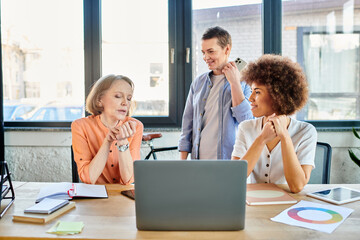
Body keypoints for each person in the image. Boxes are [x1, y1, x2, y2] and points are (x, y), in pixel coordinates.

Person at [231, 54, 317, 193]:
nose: (250, 98)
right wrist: (262, 139)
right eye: (252, 91)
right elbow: (233, 178)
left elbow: (297, 186)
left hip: (290, 206)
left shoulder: (306, 131)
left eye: (257, 92)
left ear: (278, 95)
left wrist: (285, 136)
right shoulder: (246, 128)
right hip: (255, 204)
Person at [178, 26, 253, 160]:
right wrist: (182, 162)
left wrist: (234, 82)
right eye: (203, 52)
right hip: (198, 163)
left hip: (228, 163)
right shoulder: (198, 83)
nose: (206, 57)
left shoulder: (245, 82)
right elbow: (187, 124)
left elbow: (247, 122)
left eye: (211, 52)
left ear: (227, 49)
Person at [71, 74, 143, 185]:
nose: (125, 103)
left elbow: (128, 180)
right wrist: (107, 142)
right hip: (95, 197)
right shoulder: (80, 126)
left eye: (129, 98)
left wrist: (122, 141)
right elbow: (88, 178)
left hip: (122, 197)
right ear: (100, 100)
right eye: (118, 96)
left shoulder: (136, 126)